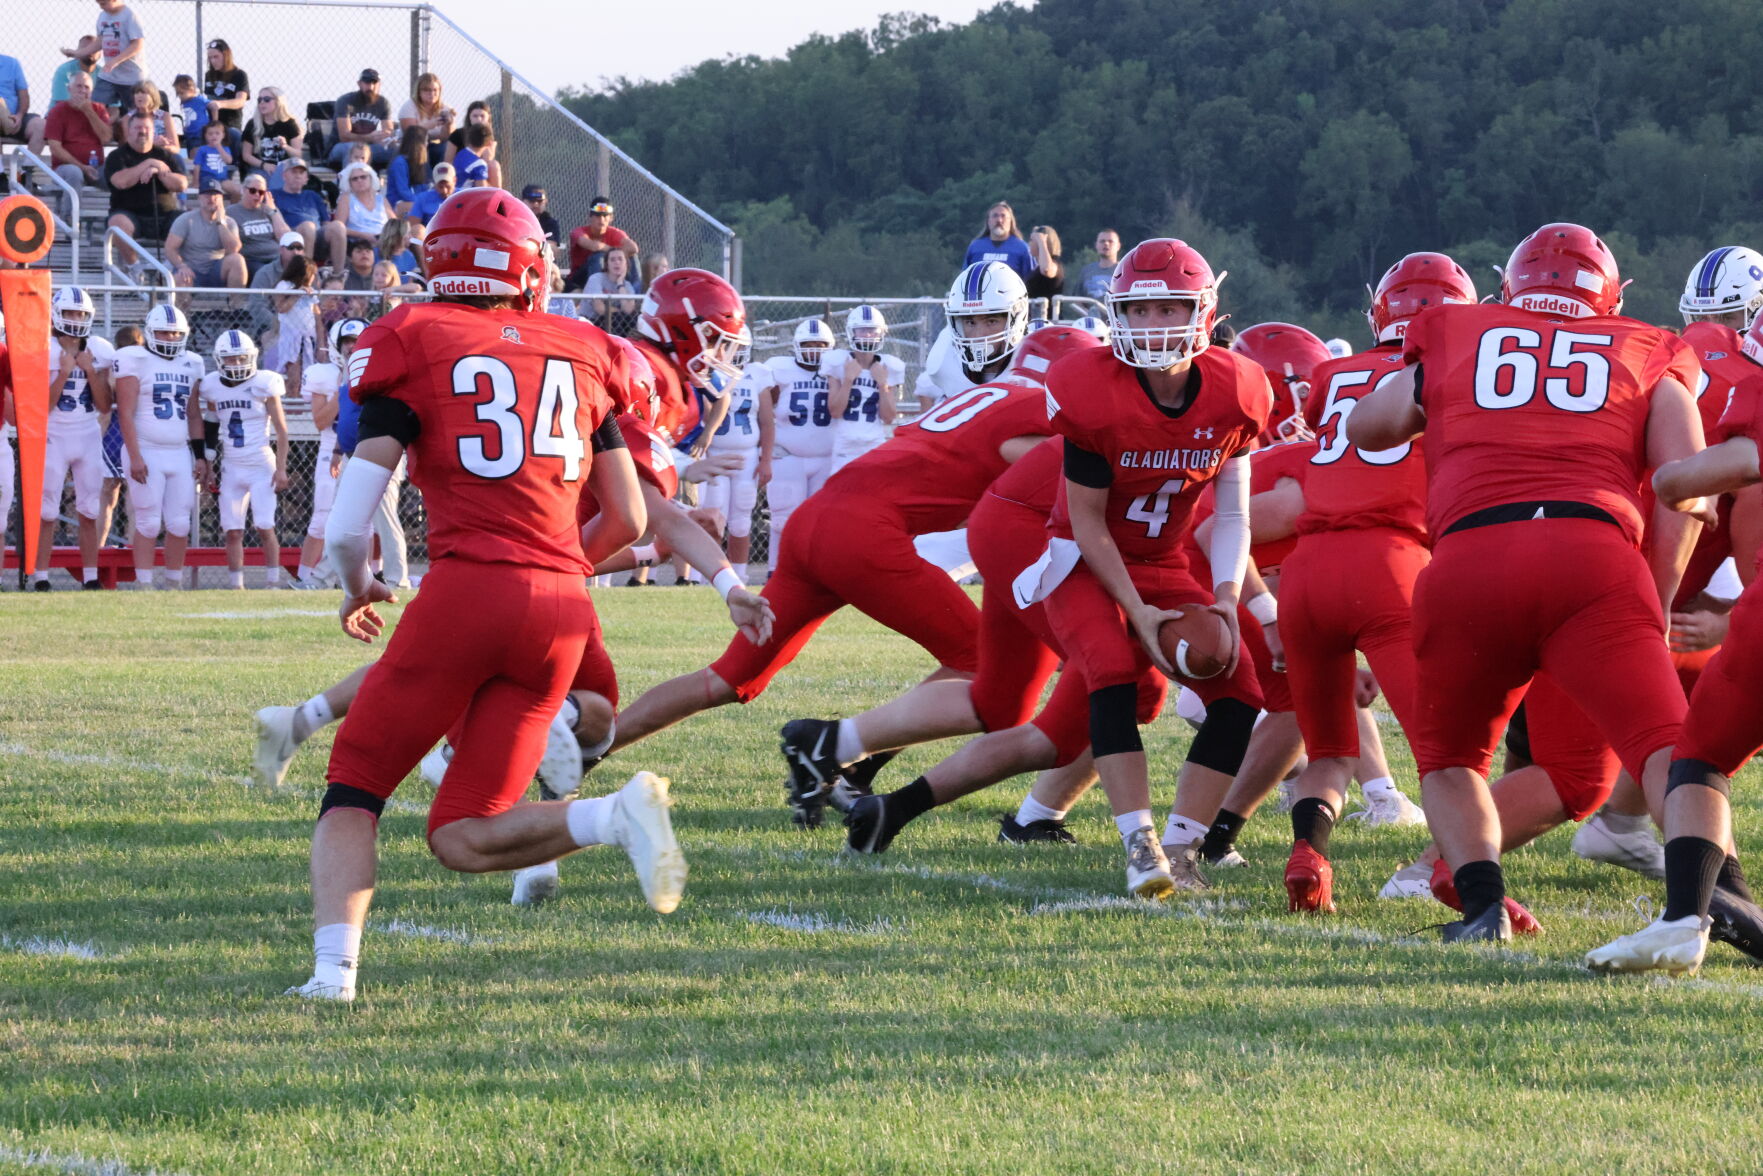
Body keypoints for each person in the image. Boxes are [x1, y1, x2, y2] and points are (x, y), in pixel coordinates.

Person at [283, 188, 676, 1002]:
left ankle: (333, 978)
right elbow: (631, 518)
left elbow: (353, 527)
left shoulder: (412, 336)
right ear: (529, 271)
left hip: (466, 592)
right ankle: (612, 817)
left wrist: (358, 587)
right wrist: (561, 568)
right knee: (461, 834)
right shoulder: (583, 346)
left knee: (354, 789)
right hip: (562, 610)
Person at [1343, 223, 1716, 946]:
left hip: (1470, 556)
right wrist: (1659, 598)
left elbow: (1369, 426)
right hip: (1592, 557)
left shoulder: (1456, 328)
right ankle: (1704, 898)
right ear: (1609, 295)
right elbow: (1688, 492)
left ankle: (1481, 909)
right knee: (1663, 743)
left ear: (1508, 288)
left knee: (1451, 760)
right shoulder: (1648, 346)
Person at [1251, 253, 1478, 912]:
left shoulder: (1330, 374)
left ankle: (1309, 857)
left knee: (1327, 749)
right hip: (1390, 563)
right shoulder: (1452, 372)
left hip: (1307, 568)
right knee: (1444, 752)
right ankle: (1453, 868)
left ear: (1379, 312)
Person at [113, 304, 205, 589]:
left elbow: (193, 414)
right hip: (146, 448)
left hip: (179, 451)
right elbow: (125, 413)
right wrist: (135, 455)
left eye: (176, 333)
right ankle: (144, 584)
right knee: (149, 522)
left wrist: (200, 456)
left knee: (179, 523)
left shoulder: (191, 362)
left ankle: (173, 584)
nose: (170, 338)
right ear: (150, 333)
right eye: (164, 332)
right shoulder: (134, 359)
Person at [33, 288, 114, 592]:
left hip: (87, 432)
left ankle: (90, 576)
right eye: (69, 313)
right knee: (47, 510)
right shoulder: (45, 348)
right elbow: (43, 407)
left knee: (90, 510)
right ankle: (41, 576)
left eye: (81, 313)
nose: (76, 319)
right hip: (54, 432)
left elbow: (106, 406)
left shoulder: (98, 349)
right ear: (56, 314)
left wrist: (91, 372)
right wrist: (64, 374)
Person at [201, 330, 289, 589]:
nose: (237, 364)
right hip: (231, 465)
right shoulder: (212, 387)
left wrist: (281, 468)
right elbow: (211, 426)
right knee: (232, 530)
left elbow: (282, 431)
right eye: (231, 359)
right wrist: (209, 467)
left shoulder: (264, 383)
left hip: (261, 463)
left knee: (264, 525)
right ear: (220, 360)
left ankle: (273, 582)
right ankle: (235, 584)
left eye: (241, 358)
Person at [292, 317, 366, 588]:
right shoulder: (323, 375)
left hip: (363, 447)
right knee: (322, 518)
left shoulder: (374, 371)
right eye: (348, 342)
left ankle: (373, 574)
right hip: (330, 449)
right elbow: (321, 421)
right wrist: (344, 391)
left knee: (370, 522)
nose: (352, 347)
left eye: (358, 341)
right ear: (338, 344)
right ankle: (305, 576)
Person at [752, 319, 836, 550]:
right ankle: (776, 572)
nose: (814, 350)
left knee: (823, 520)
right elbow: (765, 409)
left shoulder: (837, 370)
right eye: (809, 344)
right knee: (783, 520)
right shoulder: (779, 369)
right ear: (796, 345)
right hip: (788, 455)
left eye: (820, 345)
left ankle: (817, 573)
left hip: (826, 456)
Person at [915, 261, 1031, 408]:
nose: (978, 335)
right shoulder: (945, 363)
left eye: (991, 321)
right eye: (970, 322)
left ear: (1017, 318)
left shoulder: (1039, 357)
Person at [699, 359, 771, 584]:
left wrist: (765, 459)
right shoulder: (709, 370)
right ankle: (710, 574)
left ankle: (739, 575)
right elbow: (705, 414)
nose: (736, 352)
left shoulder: (758, 373)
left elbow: (767, 421)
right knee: (713, 516)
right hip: (715, 452)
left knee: (741, 520)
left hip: (746, 456)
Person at [825, 305, 903, 473]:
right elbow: (835, 411)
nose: (868, 335)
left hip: (873, 443)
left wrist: (883, 385)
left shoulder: (888, 366)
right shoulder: (838, 362)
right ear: (852, 332)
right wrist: (848, 380)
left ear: (881, 333)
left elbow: (888, 417)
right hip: (844, 445)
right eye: (862, 330)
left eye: (872, 330)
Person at [105, 112, 189, 262]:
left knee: (189, 221)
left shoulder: (166, 155)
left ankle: (171, 267)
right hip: (130, 215)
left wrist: (157, 171)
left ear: (153, 131)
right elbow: (121, 182)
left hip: (165, 215)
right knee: (117, 223)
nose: (142, 131)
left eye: (147, 128)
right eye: (137, 128)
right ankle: (135, 269)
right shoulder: (116, 156)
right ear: (129, 131)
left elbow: (181, 184)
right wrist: (149, 163)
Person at [42, 71, 113, 223]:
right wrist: (82, 166)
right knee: (75, 173)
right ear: (69, 89)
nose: (82, 90)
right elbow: (55, 148)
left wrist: (88, 111)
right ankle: (70, 222)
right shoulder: (57, 111)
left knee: (119, 173)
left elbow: (106, 138)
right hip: (65, 168)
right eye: (78, 86)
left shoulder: (99, 109)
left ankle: (118, 222)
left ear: (91, 91)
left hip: (96, 167)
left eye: (86, 87)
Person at [165, 180, 248, 292]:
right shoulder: (185, 219)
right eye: (207, 195)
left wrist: (220, 222)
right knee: (180, 277)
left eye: (216, 195)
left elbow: (234, 249)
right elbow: (170, 248)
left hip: (216, 270)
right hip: (191, 269)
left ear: (222, 199)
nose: (212, 198)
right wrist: (182, 266)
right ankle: (182, 310)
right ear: (199, 197)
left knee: (237, 260)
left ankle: (237, 307)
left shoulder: (229, 222)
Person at [265, 256, 318, 396]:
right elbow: (281, 308)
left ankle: (302, 407)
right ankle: (291, 408)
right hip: (291, 337)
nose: (313, 278)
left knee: (307, 376)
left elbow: (316, 313)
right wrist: (297, 294)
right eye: (312, 274)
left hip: (307, 336)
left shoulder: (310, 290)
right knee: (293, 377)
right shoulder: (284, 285)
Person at [323, 163, 391, 272]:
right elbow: (339, 227)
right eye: (355, 179)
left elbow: (395, 224)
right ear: (349, 183)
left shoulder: (381, 199)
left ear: (371, 178)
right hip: (358, 242)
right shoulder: (346, 199)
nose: (359, 180)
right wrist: (365, 236)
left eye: (363, 177)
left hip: (385, 241)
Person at [328, 68, 396, 169]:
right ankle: (349, 183)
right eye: (367, 82)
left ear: (379, 84)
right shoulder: (346, 101)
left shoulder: (383, 103)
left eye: (374, 82)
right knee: (354, 149)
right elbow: (344, 136)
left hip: (369, 147)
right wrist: (369, 137)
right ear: (359, 84)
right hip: (341, 147)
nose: (371, 86)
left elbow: (388, 131)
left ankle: (392, 184)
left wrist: (385, 138)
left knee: (397, 151)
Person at [228, 173, 291, 280]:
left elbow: (286, 238)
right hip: (253, 260)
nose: (257, 195)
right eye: (253, 191)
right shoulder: (231, 212)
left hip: (276, 258)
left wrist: (273, 212)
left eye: (261, 192)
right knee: (267, 273)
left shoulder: (270, 210)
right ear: (243, 190)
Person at [92, 0, 148, 111]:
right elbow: (100, 41)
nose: (101, 7)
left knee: (136, 112)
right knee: (95, 107)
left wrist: (115, 61)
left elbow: (138, 44)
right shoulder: (102, 16)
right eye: (99, 4)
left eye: (103, 3)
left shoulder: (130, 16)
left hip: (132, 77)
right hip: (109, 75)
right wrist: (78, 53)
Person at [962, 202, 1034, 285]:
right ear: (988, 221)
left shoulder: (1022, 248)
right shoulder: (975, 247)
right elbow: (965, 276)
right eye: (995, 216)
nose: (999, 220)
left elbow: (1031, 280)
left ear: (1011, 221)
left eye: (1003, 216)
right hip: (980, 296)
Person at [567, 196, 639, 282]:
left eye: (605, 216)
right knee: (598, 256)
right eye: (597, 215)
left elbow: (633, 248)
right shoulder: (578, 231)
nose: (601, 219)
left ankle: (636, 292)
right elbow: (594, 246)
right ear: (590, 217)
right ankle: (598, 292)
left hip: (610, 273)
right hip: (580, 277)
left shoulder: (615, 232)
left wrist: (615, 256)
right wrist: (614, 252)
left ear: (611, 218)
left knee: (632, 257)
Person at [267, 157, 326, 254]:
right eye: (294, 172)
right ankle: (306, 268)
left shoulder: (314, 196)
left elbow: (326, 223)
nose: (297, 176)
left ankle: (339, 269)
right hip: (291, 236)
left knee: (338, 226)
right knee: (308, 226)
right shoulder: (273, 195)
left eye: (301, 173)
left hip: (317, 236)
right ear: (284, 176)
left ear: (306, 179)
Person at [240, 88, 301, 179]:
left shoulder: (289, 123)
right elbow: (246, 155)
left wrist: (285, 146)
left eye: (267, 99)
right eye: (259, 100)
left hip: (284, 169)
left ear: (278, 102)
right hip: (259, 168)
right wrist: (264, 165)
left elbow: (298, 154)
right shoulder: (252, 124)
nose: (262, 103)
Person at [397, 71, 455, 165]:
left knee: (447, 148)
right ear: (419, 92)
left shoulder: (445, 108)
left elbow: (446, 139)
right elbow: (410, 134)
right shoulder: (409, 107)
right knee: (420, 145)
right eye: (427, 90)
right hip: (410, 147)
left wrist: (448, 125)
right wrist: (429, 125)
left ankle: (442, 177)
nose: (432, 93)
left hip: (433, 146)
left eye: (435, 90)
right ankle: (426, 179)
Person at [584, 248, 638, 335]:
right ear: (607, 264)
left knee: (634, 317)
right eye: (612, 260)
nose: (617, 262)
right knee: (617, 317)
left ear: (626, 264)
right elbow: (600, 309)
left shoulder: (627, 285)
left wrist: (620, 283)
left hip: (617, 322)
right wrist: (621, 312)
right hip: (592, 321)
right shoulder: (596, 279)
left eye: (620, 259)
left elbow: (628, 310)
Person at [118, 80, 180, 155]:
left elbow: (175, 147)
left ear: (153, 96)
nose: (139, 95)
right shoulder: (127, 118)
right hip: (137, 156)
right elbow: (127, 147)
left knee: (178, 160)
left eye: (144, 93)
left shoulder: (165, 116)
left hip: (162, 154)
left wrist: (165, 146)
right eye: (136, 93)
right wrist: (153, 144)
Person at [0, 52, 44, 153]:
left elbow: (24, 95)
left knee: (40, 125)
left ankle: (28, 167)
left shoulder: (11, 63)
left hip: (14, 117)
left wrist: (19, 116)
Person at [385, 127, 429, 217]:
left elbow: (422, 187)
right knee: (425, 208)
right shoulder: (399, 162)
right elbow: (403, 191)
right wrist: (421, 201)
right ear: (418, 144)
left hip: (412, 201)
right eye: (426, 141)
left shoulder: (420, 163)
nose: (427, 144)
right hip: (397, 203)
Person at [189, 120, 238, 200]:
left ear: (223, 135)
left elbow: (229, 161)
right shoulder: (203, 149)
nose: (214, 136)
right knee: (212, 193)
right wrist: (196, 183)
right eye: (210, 134)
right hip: (207, 178)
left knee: (236, 190)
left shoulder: (225, 149)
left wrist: (219, 147)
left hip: (222, 179)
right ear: (205, 136)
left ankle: (232, 210)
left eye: (217, 133)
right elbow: (197, 166)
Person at [53, 36, 103, 105]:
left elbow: (113, 107)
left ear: (100, 54)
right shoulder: (64, 71)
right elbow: (62, 103)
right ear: (78, 52)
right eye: (84, 49)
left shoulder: (104, 75)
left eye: (93, 49)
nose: (89, 52)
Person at [1074, 229, 1120, 302]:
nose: (1106, 244)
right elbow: (1077, 300)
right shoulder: (1086, 271)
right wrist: (1088, 313)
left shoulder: (1124, 272)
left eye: (1110, 241)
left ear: (1118, 246)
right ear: (1096, 245)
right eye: (1102, 241)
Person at [1024, 224, 1064, 305]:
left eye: (1032, 240)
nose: (1029, 243)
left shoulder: (1055, 263)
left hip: (1048, 316)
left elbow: (1046, 270)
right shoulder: (1036, 268)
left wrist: (1041, 241)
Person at [451, 123, 494, 188]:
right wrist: (488, 161)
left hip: (454, 194)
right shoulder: (479, 164)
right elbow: (482, 190)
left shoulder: (460, 153)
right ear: (489, 143)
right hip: (463, 196)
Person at [171, 74, 207, 151]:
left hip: (199, 134)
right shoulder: (185, 103)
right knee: (191, 153)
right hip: (190, 134)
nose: (180, 96)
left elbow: (213, 106)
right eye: (178, 94)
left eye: (182, 93)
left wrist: (214, 122)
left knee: (197, 152)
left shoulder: (199, 100)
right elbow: (187, 117)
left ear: (191, 89)